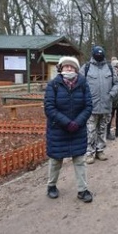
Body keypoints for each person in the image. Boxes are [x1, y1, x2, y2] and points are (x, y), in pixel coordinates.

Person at [44, 56, 94, 203]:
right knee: (56, 161)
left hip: (77, 130)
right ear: (60, 68)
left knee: (79, 160)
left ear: (77, 69)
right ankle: (51, 186)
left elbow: (88, 106)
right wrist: (66, 123)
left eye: (72, 67)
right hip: (58, 130)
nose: (69, 69)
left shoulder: (83, 84)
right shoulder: (53, 85)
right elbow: (49, 108)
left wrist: (77, 123)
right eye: (66, 66)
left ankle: (82, 190)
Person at [79, 45, 118, 164]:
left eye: (100, 54)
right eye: (96, 54)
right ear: (93, 54)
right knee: (90, 131)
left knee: (102, 130)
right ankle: (89, 153)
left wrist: (111, 94)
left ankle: (100, 150)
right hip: (90, 106)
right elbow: (79, 84)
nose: (99, 56)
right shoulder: (86, 68)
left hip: (106, 106)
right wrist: (84, 98)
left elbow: (117, 83)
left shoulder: (109, 67)